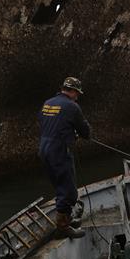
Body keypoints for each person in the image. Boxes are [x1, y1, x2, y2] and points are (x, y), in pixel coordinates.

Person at [38, 76, 91, 233]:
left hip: (44, 149)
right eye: (78, 93)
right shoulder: (72, 107)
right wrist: (79, 134)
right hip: (59, 151)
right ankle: (63, 228)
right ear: (73, 91)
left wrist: (65, 131)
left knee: (59, 185)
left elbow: (43, 122)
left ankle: (66, 219)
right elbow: (85, 130)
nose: (77, 96)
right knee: (68, 191)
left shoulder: (47, 103)